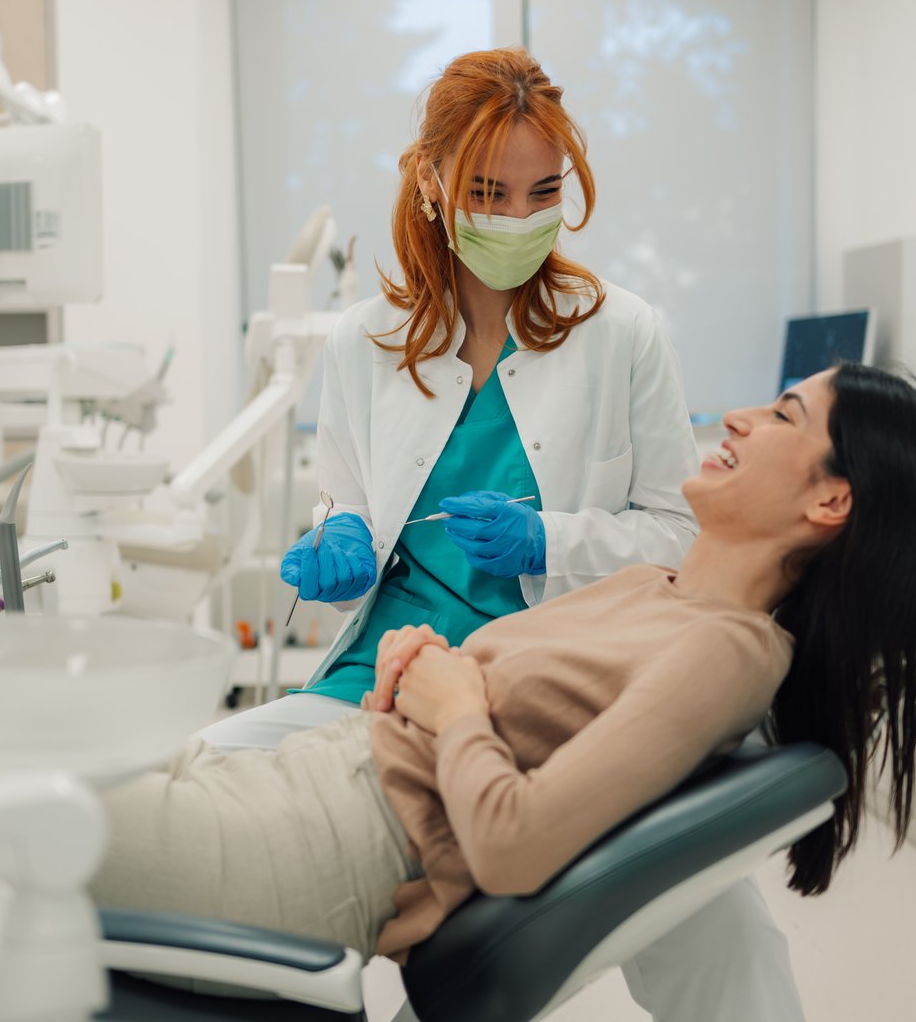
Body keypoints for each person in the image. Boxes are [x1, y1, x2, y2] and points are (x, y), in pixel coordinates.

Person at [0, 363, 916, 1011]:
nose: (743, 414)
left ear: (827, 502)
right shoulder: (669, 587)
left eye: (782, 420)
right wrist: (430, 676)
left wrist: (444, 702)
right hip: (296, 783)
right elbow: (480, 696)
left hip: (319, 841)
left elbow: (511, 845)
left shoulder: (722, 651)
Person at [197, 46, 699, 753]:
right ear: (431, 181)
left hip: (542, 675)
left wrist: (545, 541)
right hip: (385, 669)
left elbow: (681, 537)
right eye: (488, 194)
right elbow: (352, 512)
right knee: (214, 764)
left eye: (544, 192)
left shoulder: (623, 333)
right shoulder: (363, 340)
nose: (518, 218)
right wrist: (341, 541)